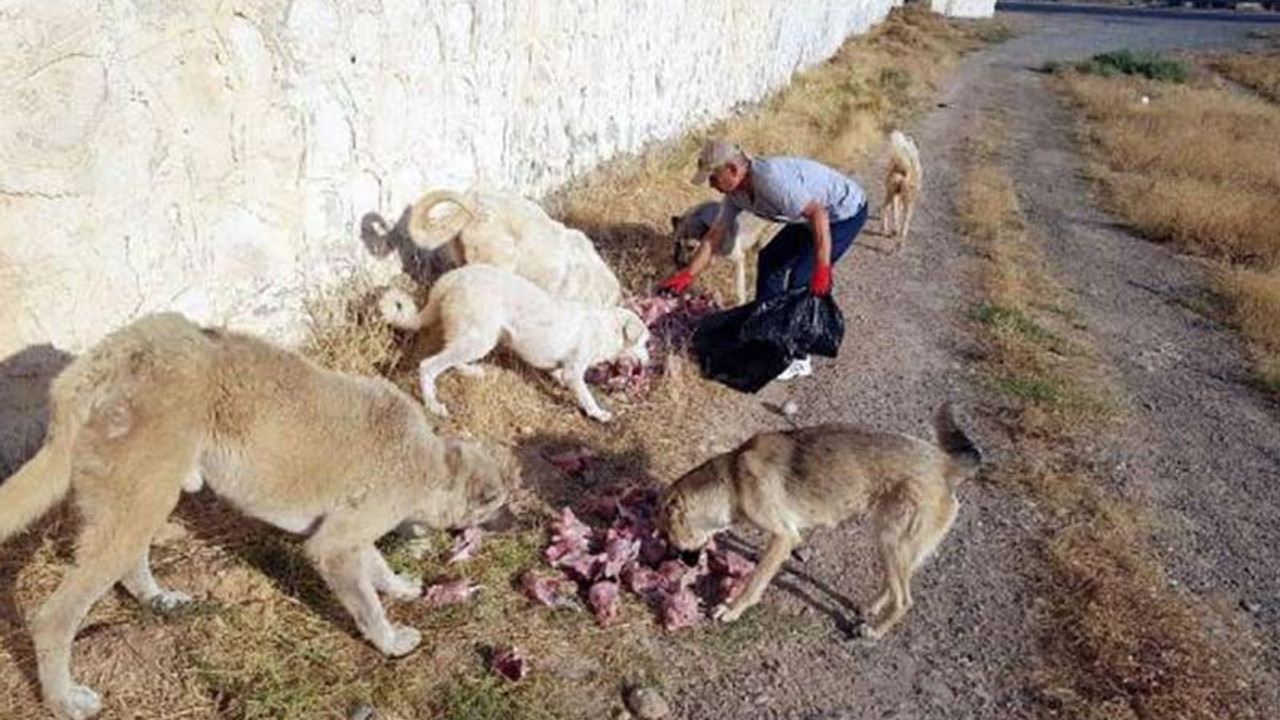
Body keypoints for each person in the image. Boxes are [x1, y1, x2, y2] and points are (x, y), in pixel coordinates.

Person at [661, 139, 869, 380]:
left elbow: (819, 214)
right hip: (807, 218)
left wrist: (822, 268)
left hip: (842, 214)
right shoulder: (734, 195)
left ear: (732, 170)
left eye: (713, 177)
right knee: (771, 260)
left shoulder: (771, 182)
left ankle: (799, 357)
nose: (711, 184)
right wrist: (688, 274)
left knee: (802, 277)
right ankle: (765, 334)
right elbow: (714, 236)